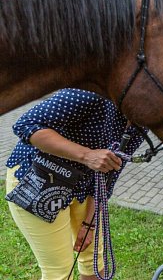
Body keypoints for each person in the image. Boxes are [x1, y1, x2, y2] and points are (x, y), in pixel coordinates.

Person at [5, 88, 145, 280]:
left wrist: (90, 223)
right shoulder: (91, 93)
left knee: (94, 261)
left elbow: (110, 174)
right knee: (60, 273)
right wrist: (87, 155)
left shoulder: (142, 123)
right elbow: (26, 124)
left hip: (82, 188)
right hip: (37, 181)